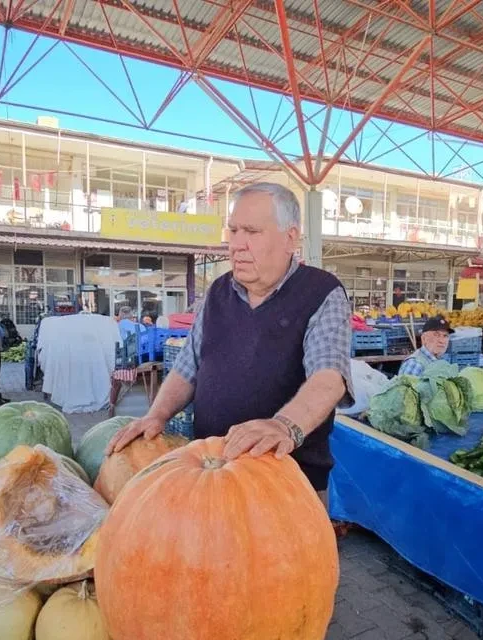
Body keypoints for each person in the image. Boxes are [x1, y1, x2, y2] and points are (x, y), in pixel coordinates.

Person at [107, 182, 352, 491]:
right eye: (233, 231)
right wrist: (156, 415)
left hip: (289, 484)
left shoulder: (322, 292)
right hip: (210, 471)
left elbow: (329, 377)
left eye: (251, 231)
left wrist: (283, 426)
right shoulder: (218, 291)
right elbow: (187, 367)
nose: (237, 244)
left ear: (290, 238)